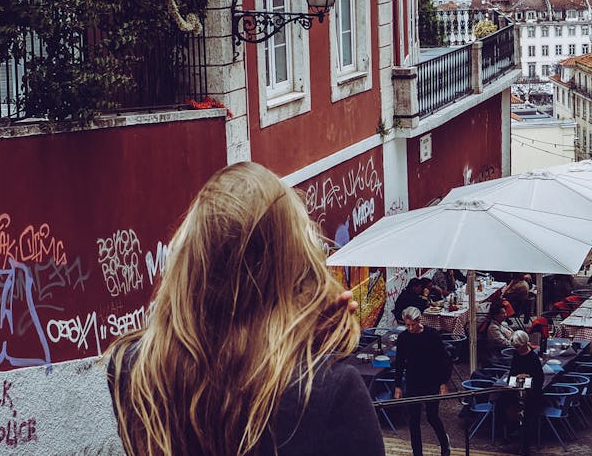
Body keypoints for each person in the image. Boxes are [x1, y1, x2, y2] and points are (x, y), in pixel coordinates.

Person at [105, 162, 384, 456]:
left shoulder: (131, 368)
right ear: (292, 263)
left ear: (190, 257)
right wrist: (320, 359)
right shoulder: (333, 393)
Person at [393, 306, 452, 456]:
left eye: (413, 324)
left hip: (431, 380)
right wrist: (398, 385)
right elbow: (400, 362)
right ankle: (417, 453)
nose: (410, 328)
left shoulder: (432, 335)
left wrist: (443, 382)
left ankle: (445, 445)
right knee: (414, 420)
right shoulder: (404, 338)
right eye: (407, 325)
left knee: (432, 416)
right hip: (413, 381)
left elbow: (444, 360)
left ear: (419, 320)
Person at [506, 330, 543, 456]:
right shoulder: (517, 355)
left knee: (527, 414)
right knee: (502, 402)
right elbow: (511, 374)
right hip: (517, 391)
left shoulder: (533, 358)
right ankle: (509, 432)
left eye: (518, 347)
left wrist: (529, 378)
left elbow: (539, 380)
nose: (517, 349)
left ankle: (525, 446)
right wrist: (517, 376)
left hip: (532, 394)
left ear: (524, 344)